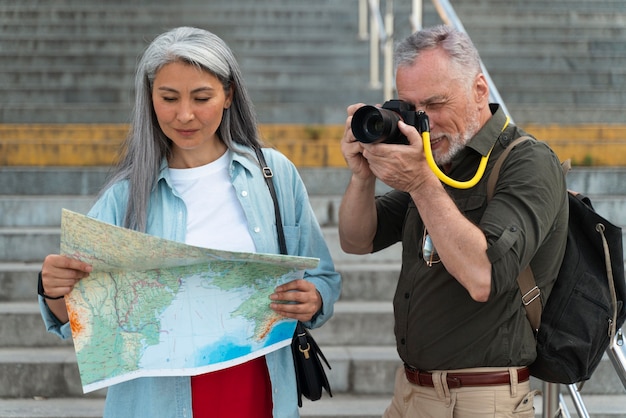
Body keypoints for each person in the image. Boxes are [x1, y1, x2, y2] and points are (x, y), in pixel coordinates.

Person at [38, 26, 341, 418]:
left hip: (258, 388)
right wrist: (53, 290)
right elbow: (76, 321)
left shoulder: (274, 175)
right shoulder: (124, 197)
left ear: (229, 94)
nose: (185, 115)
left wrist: (313, 297)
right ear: (150, 98)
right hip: (155, 401)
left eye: (202, 97)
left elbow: (324, 279)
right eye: (168, 98)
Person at [338, 25, 568, 417]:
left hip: (482, 399)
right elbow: (358, 240)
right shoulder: (438, 160)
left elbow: (484, 277)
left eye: (436, 103)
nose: (422, 122)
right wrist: (362, 177)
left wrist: (421, 183)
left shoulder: (526, 162)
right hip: (410, 394)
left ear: (480, 90)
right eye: (409, 108)